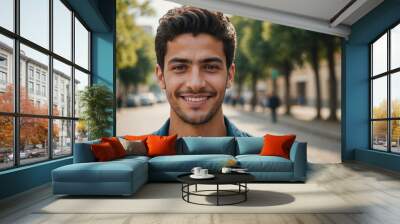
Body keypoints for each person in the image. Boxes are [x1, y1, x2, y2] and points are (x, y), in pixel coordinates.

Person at [152, 6, 251, 137]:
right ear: (161, 77)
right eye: (180, 67)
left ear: (230, 75)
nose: (195, 84)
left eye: (210, 67)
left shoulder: (265, 155)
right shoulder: (129, 155)